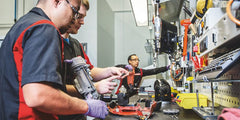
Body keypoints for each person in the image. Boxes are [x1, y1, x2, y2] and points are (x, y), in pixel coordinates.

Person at [0, 0, 109, 119]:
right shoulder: (44, 27)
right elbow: (39, 95)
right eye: (74, 11)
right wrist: (86, 106)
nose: (74, 19)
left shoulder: (22, 25)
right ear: (57, 2)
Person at [59, 1, 128, 119]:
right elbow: (55, 88)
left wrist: (109, 71)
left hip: (78, 114)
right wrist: (94, 88)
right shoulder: (52, 43)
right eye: (79, 16)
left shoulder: (76, 44)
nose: (82, 22)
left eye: (83, 17)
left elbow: (89, 72)